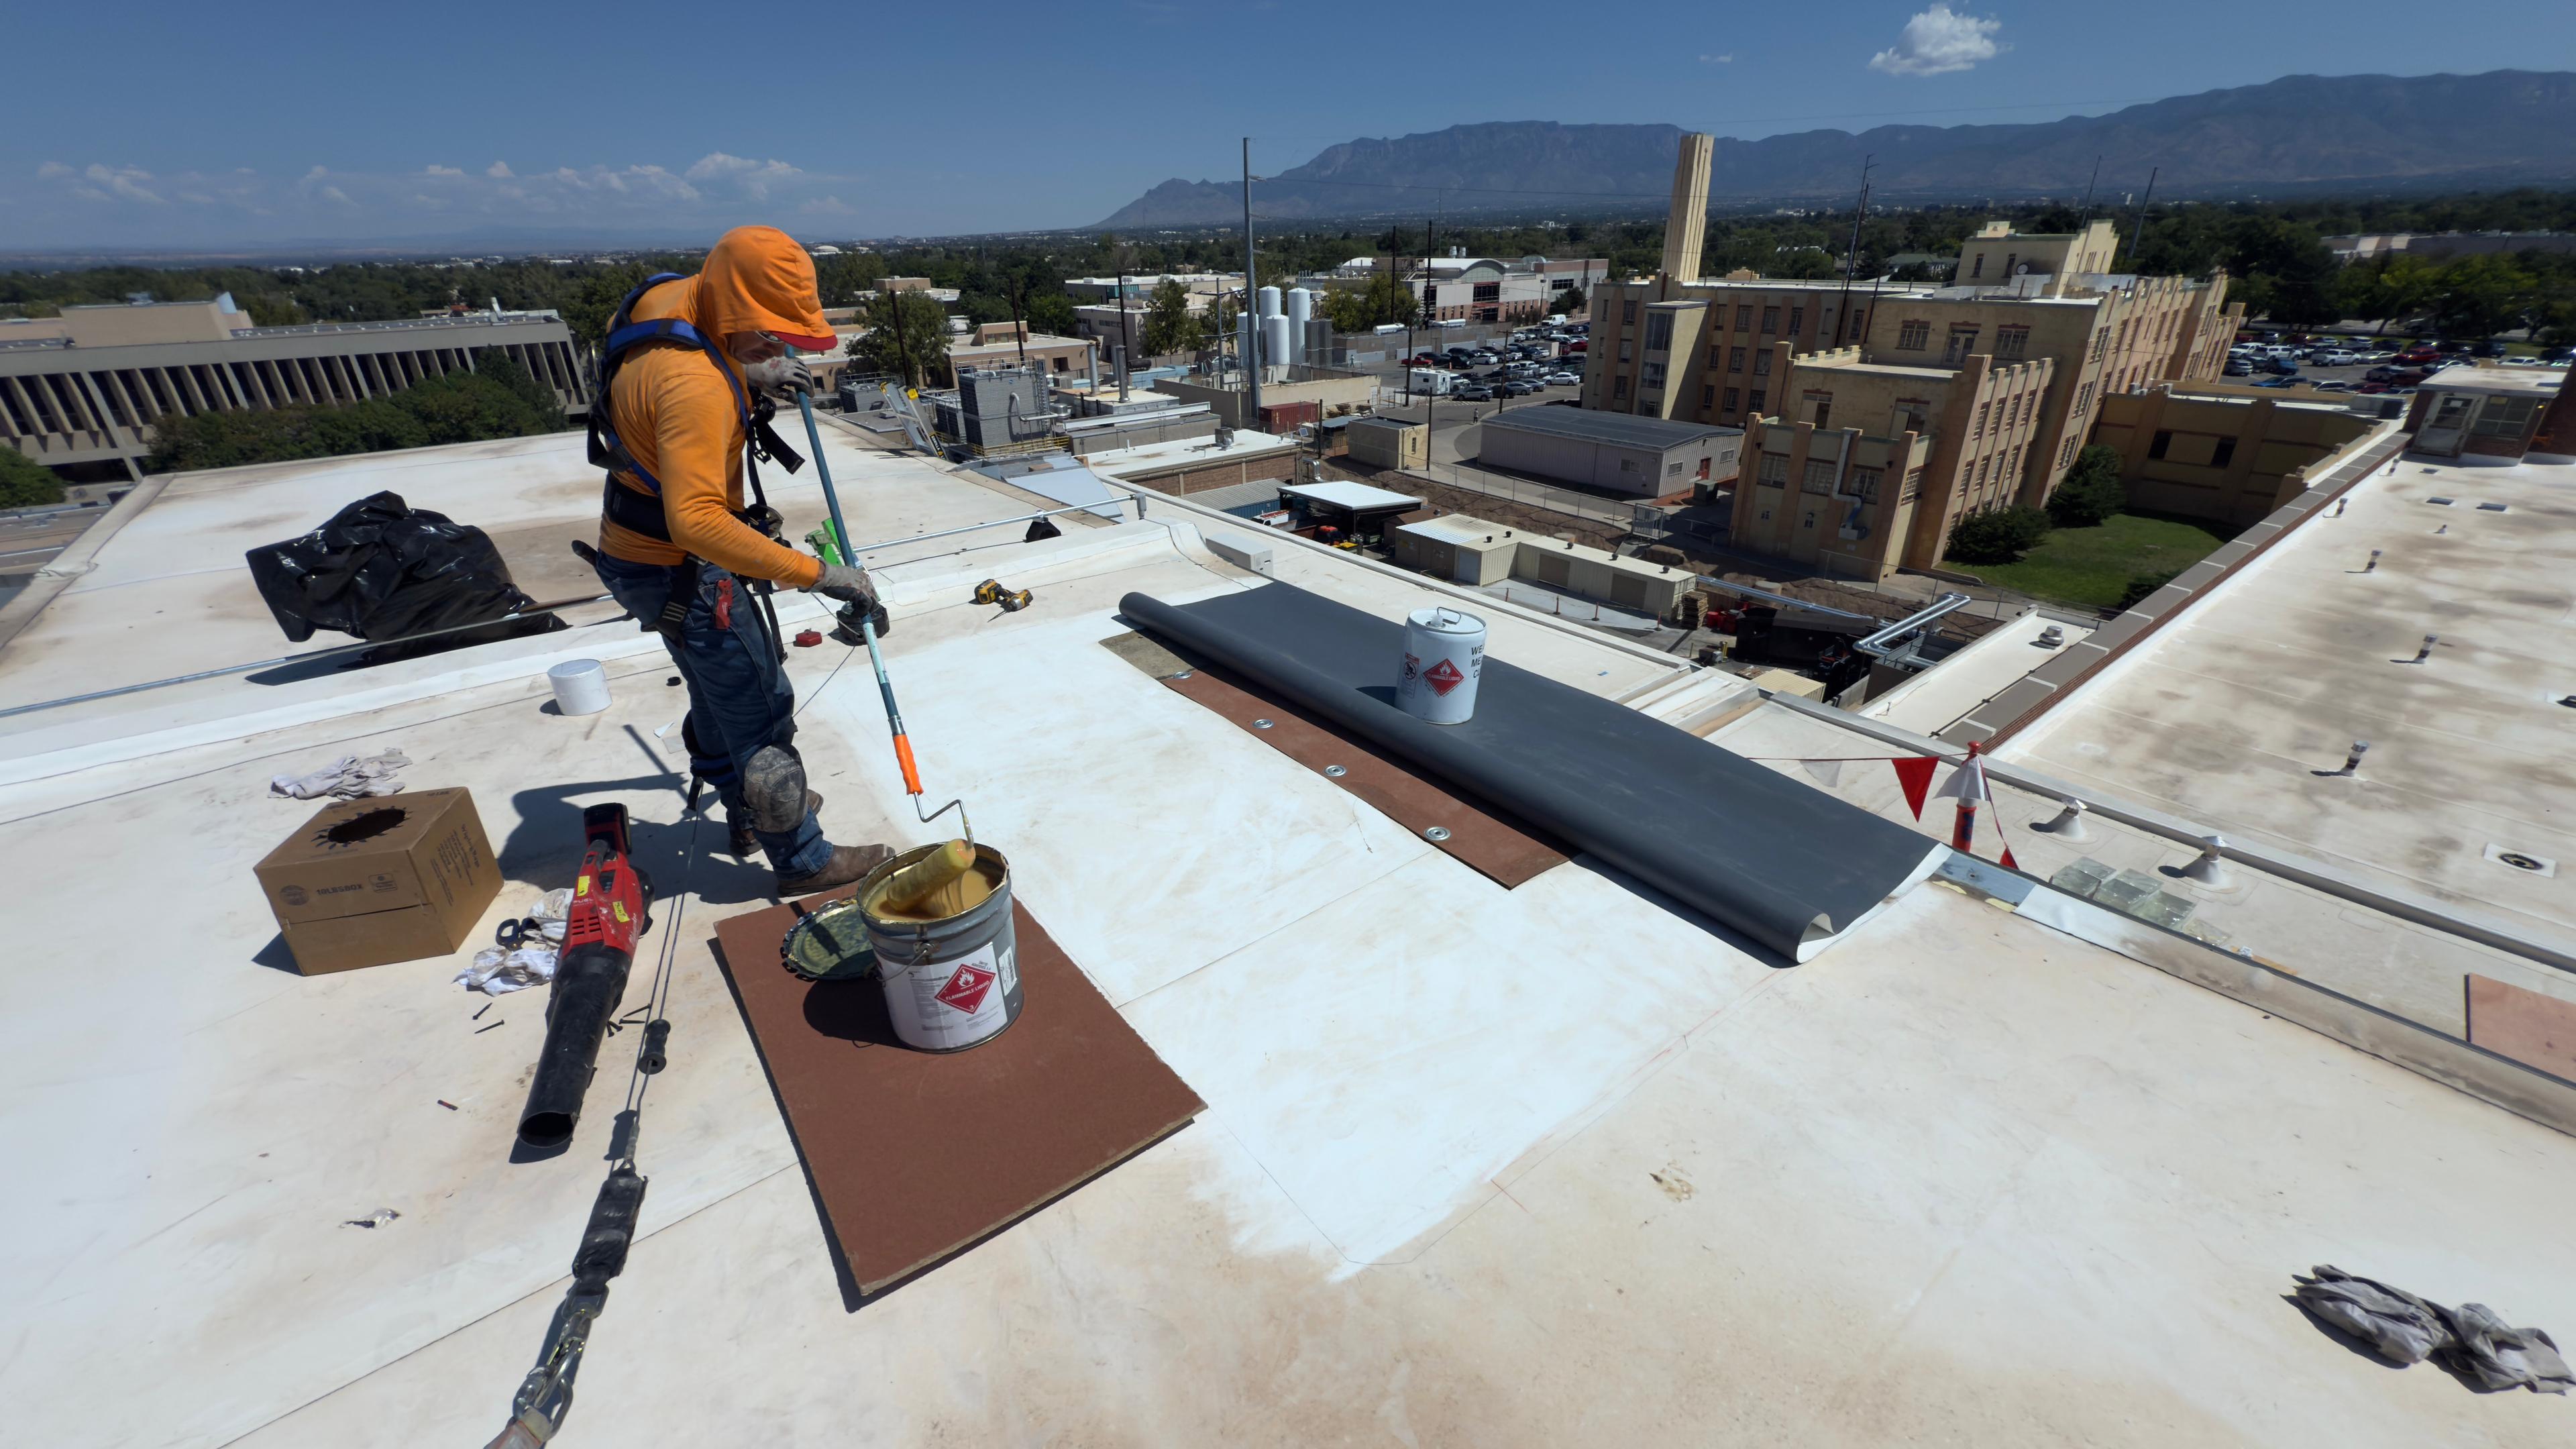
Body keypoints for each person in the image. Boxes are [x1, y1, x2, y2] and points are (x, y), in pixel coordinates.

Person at [585, 225, 882, 896]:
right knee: (760, 711)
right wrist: (820, 575)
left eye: (781, 339)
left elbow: (670, 362)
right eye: (763, 337)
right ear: (729, 307)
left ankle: (748, 814)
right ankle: (803, 859)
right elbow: (695, 522)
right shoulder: (693, 388)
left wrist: (750, 365)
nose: (774, 348)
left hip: (631, 551)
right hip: (681, 565)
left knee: (717, 698)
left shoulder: (666, 297)